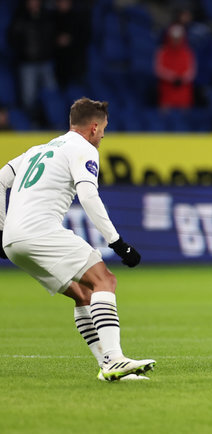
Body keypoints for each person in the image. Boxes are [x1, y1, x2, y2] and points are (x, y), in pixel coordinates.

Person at [0, 97, 155, 381]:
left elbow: (0, 179)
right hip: (39, 230)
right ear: (94, 127)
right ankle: (116, 359)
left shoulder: (39, 149)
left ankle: (108, 366)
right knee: (104, 280)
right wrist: (117, 242)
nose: (104, 135)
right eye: (105, 128)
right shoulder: (83, 148)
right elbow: (88, 196)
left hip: (12, 240)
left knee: (83, 294)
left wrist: (1, 230)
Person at [154, 24, 197, 109]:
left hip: (183, 90)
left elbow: (191, 71)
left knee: (184, 116)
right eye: (174, 38)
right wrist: (173, 78)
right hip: (167, 90)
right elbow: (159, 69)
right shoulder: (162, 52)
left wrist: (182, 79)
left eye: (178, 38)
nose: (176, 41)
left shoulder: (188, 53)